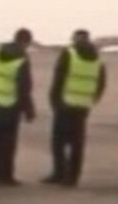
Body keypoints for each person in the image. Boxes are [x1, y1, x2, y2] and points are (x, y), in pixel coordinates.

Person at [45, 29, 107, 186]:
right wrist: (93, 99)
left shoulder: (69, 54)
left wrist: (54, 100)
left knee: (58, 142)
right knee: (77, 142)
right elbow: (101, 81)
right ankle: (72, 177)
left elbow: (59, 77)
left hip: (65, 103)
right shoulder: (97, 57)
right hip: (83, 105)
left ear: (74, 39)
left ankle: (59, 173)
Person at [0, 29, 38, 187]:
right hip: (10, 106)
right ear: (26, 42)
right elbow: (24, 87)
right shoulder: (21, 59)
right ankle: (6, 176)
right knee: (8, 144)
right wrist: (29, 110)